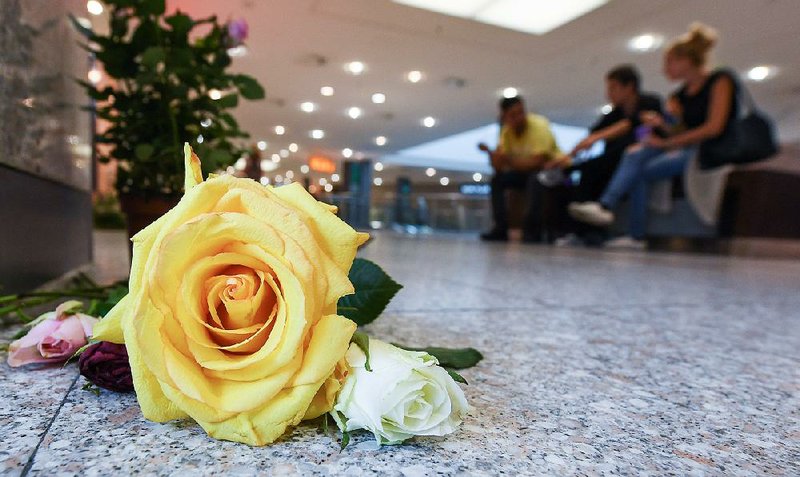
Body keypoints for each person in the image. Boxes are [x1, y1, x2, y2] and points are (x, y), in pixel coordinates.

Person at [569, 23, 737, 249]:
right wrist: (664, 125)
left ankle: (606, 206)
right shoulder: (678, 96)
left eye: (669, 62)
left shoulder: (720, 80)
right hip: (685, 147)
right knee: (637, 159)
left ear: (687, 60)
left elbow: (713, 128)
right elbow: (680, 132)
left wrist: (666, 141)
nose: (664, 68)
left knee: (639, 156)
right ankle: (633, 233)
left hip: (712, 149)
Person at [543, 65, 663, 245]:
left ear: (629, 87)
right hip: (611, 161)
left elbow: (630, 124)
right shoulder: (613, 114)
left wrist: (596, 138)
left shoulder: (650, 102)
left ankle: (601, 215)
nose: (609, 94)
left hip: (634, 158)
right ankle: (583, 232)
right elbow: (590, 137)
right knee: (587, 172)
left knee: (597, 165)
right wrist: (565, 158)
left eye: (613, 87)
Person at [479, 96, 566, 242]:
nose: (519, 118)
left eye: (521, 112)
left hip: (553, 171)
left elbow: (538, 162)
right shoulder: (507, 132)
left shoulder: (539, 125)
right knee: (497, 180)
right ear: (504, 117)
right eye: (513, 115)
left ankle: (532, 230)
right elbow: (499, 166)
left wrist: (508, 161)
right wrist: (494, 156)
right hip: (526, 172)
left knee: (536, 178)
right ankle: (501, 228)